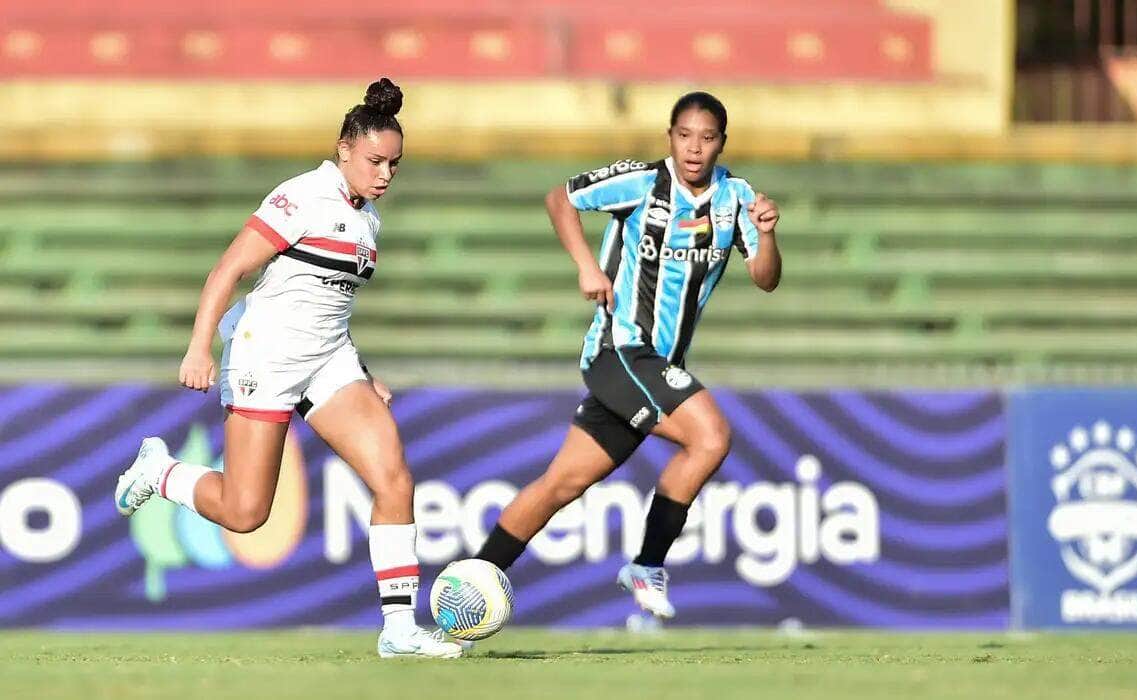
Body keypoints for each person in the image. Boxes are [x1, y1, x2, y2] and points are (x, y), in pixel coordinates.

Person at [113, 78, 463, 659]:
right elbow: (228, 270)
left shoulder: (368, 219)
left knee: (394, 479)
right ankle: (162, 471)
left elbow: (329, 306)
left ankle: (399, 629)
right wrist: (199, 347)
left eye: (394, 165)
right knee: (245, 512)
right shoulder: (301, 197)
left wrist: (363, 371)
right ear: (343, 150)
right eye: (375, 161)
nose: (385, 174)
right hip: (266, 357)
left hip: (330, 360)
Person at [474, 92, 781, 619]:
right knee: (710, 437)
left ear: (721, 144)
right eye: (684, 135)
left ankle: (468, 589)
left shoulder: (737, 197)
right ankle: (646, 566)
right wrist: (586, 266)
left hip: (656, 368)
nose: (694, 148)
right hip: (619, 351)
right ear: (670, 137)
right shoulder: (641, 183)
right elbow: (560, 198)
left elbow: (766, 278)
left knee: (560, 484)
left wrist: (768, 236)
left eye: (707, 138)